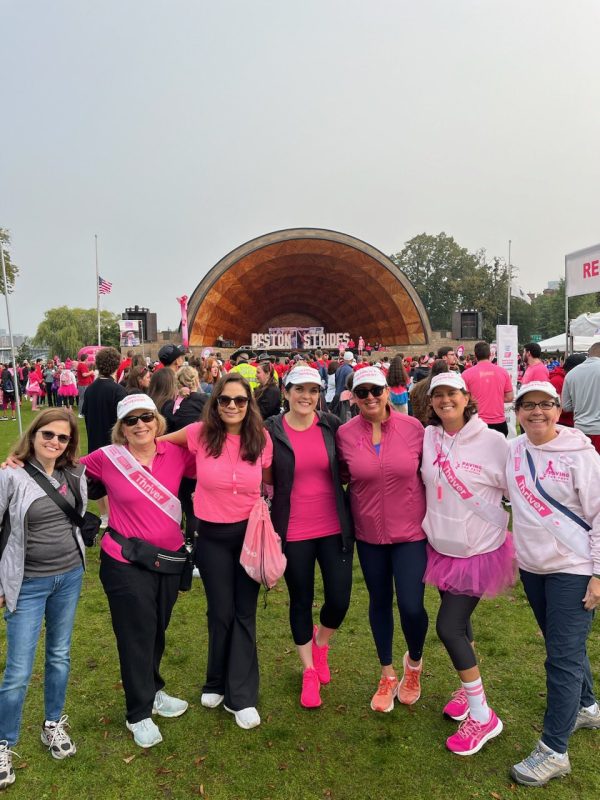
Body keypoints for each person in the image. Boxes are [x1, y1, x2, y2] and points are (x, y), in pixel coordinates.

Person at [79, 394, 196, 749]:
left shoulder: (177, 454)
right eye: (131, 420)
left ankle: (154, 690)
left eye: (147, 417)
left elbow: (211, 445)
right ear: (121, 429)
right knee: (136, 634)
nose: (140, 425)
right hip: (124, 560)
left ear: (158, 420)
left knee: (157, 628)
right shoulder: (106, 458)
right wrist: (15, 461)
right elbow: (59, 465)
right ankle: (138, 713)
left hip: (169, 559)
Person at [161, 374, 272, 730]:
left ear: (249, 404)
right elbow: (153, 444)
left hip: (249, 536)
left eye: (240, 400)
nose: (232, 406)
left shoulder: (261, 438)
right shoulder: (198, 433)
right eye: (225, 400)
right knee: (220, 611)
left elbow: (270, 479)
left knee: (244, 612)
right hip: (211, 536)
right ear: (215, 402)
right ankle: (215, 680)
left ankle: (241, 695)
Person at [506, 381, 600, 786]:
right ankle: (587, 706)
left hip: (574, 567)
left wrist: (597, 574)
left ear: (559, 408)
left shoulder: (582, 455)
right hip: (533, 567)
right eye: (528, 406)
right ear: (517, 412)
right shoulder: (514, 450)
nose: (537, 412)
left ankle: (554, 750)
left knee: (560, 657)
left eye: (545, 405)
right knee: (563, 644)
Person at [421, 373, 514, 755]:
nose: (445, 401)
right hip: (442, 547)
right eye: (438, 395)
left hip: (479, 552)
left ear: (466, 397)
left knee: (449, 627)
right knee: (460, 623)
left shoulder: (494, 442)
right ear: (431, 402)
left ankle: (482, 714)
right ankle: (466, 687)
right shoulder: (428, 438)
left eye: (452, 394)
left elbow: (516, 490)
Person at [0, 410, 86, 790]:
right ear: (33, 435)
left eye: (62, 438)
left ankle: (53, 723)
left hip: (69, 576)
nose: (54, 441)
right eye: (47, 434)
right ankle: (4, 743)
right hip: (27, 583)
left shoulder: (74, 475)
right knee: (18, 670)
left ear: (70, 444)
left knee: (59, 654)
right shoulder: (10, 476)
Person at [336, 366, 429, 713]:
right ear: (353, 397)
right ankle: (387, 673)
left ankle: (414, 664)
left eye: (377, 390)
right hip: (370, 534)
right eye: (363, 393)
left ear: (388, 391)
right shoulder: (345, 434)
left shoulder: (413, 429)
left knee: (412, 606)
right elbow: (341, 477)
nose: (371, 398)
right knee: (379, 601)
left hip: (410, 533)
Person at [264, 366, 353, 709]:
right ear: (286, 392)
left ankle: (322, 643)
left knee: (340, 599)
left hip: (333, 526)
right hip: (294, 529)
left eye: (313, 390)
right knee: (301, 599)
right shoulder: (271, 429)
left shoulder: (330, 425)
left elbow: (347, 464)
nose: (306, 396)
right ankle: (309, 669)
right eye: (299, 389)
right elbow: (265, 472)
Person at [462, 341, 514, 436]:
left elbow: (463, 399)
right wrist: (495, 398)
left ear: (475, 355)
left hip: (476, 422)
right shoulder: (502, 372)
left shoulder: (466, 374)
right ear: (490, 354)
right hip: (499, 422)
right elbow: (510, 397)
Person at [561, 342, 600, 454]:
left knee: (584, 468)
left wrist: (581, 404)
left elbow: (566, 407)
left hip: (579, 430)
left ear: (588, 354)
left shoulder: (571, 374)